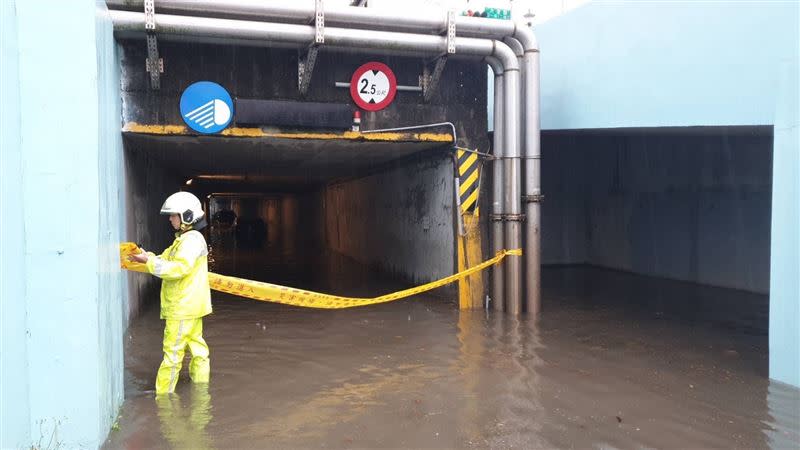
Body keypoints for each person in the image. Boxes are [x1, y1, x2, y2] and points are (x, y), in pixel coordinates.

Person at [129, 191, 212, 395]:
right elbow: (163, 259)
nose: (170, 219)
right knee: (198, 350)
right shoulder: (184, 240)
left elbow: (177, 269)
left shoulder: (190, 241)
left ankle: (164, 400)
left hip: (182, 308)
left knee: (173, 355)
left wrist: (147, 262)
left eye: (173, 215)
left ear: (187, 217)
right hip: (192, 306)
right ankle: (202, 392)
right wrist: (144, 256)